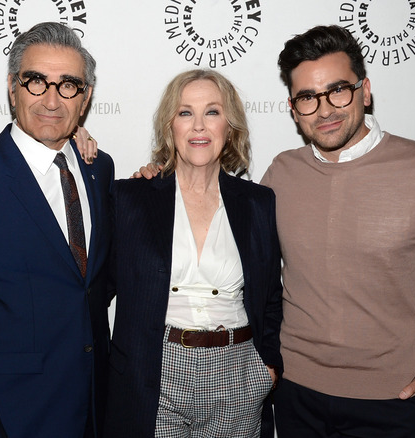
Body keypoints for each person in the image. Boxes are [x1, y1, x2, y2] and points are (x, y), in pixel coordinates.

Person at [260, 25, 415, 437]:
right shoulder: (280, 173)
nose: (325, 109)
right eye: (307, 98)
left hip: (396, 402)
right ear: (293, 107)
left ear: (365, 90)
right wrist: (155, 180)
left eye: (338, 90)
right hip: (295, 394)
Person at [0, 22, 113, 438]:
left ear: (84, 100)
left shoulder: (99, 168)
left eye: (69, 85)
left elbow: (97, 282)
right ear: (13, 87)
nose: (51, 99)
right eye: (35, 82)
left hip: (95, 410)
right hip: (12, 416)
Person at [105, 69, 282, 438]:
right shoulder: (130, 199)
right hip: (155, 373)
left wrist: (268, 365)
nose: (199, 126)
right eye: (186, 113)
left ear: (229, 127)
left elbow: (270, 297)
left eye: (212, 112)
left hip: (239, 372)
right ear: (169, 126)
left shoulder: (258, 203)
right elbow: (94, 291)